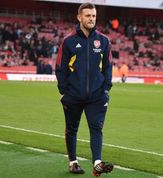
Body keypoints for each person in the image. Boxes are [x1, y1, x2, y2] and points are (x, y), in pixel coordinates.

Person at [55, 3, 113, 177]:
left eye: (94, 16)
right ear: (79, 17)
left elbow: (108, 67)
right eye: (88, 16)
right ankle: (73, 162)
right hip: (73, 95)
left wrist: (105, 89)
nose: (91, 19)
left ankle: (97, 163)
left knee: (97, 128)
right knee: (72, 129)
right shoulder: (69, 41)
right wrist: (64, 90)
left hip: (97, 96)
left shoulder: (103, 41)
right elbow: (60, 67)